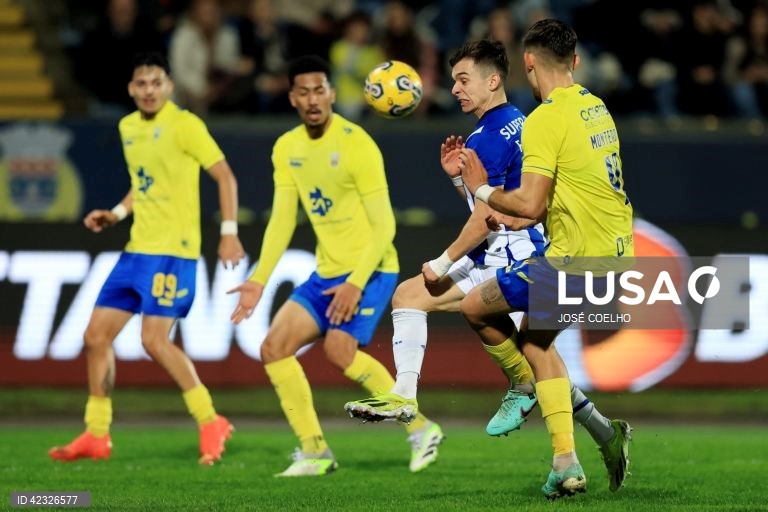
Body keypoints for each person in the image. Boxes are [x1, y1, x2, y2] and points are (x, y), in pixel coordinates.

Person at [344, 39, 631, 491]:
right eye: (454, 80)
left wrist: (441, 260)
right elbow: (491, 205)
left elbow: (486, 218)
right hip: (515, 248)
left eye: (463, 80)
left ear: (493, 80)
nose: (456, 90)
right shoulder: (516, 122)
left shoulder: (493, 136)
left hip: (518, 253)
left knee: (536, 355)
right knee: (411, 298)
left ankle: (554, 432)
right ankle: (406, 394)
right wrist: (461, 180)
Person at [227, 55, 444, 477]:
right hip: (327, 273)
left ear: (331, 93)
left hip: (372, 268)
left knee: (339, 350)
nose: (313, 99)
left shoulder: (356, 143)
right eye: (303, 92)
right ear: (292, 98)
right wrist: (257, 280)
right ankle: (315, 450)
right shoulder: (287, 148)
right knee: (273, 348)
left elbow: (385, 226)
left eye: (320, 90)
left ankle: (420, 428)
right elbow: (283, 220)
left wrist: (356, 284)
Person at [458, 20, 635, 499]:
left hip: (574, 263)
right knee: (538, 344)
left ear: (529, 64)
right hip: (616, 257)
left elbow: (532, 202)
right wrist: (520, 221)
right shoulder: (595, 108)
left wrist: (482, 190)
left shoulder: (543, 118)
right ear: (575, 62)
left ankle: (522, 389)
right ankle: (579, 453)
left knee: (475, 306)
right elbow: (575, 187)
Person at [48, 52, 244, 466]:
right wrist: (115, 214)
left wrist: (229, 234)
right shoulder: (128, 127)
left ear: (169, 87)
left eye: (157, 82)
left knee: (154, 341)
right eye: (142, 84)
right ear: (131, 90)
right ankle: (97, 434)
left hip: (174, 252)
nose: (149, 90)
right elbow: (144, 184)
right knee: (95, 337)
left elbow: (225, 176)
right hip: (136, 250)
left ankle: (210, 420)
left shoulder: (186, 125)